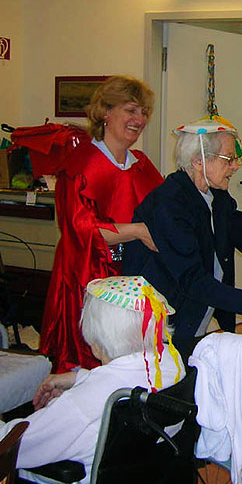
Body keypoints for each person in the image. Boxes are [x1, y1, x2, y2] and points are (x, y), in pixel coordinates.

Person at [0, 275, 184, 484]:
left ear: (96, 343)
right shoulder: (172, 363)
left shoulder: (85, 403)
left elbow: (5, 450)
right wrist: (79, 378)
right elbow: (126, 379)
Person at [122, 115, 242, 357]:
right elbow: (191, 280)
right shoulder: (169, 204)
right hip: (164, 321)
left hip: (196, 311)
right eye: (228, 159)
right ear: (198, 161)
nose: (235, 166)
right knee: (173, 373)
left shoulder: (216, 196)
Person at [40, 75, 163, 373]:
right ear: (106, 112)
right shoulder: (80, 166)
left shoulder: (141, 165)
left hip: (132, 274)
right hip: (87, 275)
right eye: (130, 110)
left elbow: (164, 209)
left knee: (130, 356)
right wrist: (137, 231)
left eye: (144, 112)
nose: (139, 120)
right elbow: (82, 228)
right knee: (89, 360)